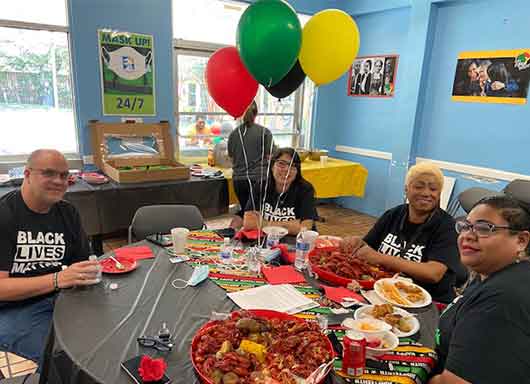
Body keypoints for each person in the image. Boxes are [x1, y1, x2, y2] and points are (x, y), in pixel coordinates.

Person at [0, 149, 99, 366]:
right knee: (64, 360)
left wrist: (90, 271)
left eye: (64, 175)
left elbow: (81, 263)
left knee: (103, 340)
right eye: (49, 173)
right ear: (27, 174)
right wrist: (57, 279)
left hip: (61, 297)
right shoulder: (5, 215)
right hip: (14, 309)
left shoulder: (67, 212)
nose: (58, 181)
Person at [430, 196, 530, 384]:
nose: (467, 235)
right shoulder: (491, 274)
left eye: (484, 228)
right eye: (466, 226)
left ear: (521, 240)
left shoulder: (501, 300)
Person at [340, 162, 460, 303]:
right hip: (383, 293)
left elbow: (433, 273)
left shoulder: (447, 226)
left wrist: (381, 258)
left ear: (439, 194)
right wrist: (356, 243)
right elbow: (368, 246)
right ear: (406, 189)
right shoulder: (394, 214)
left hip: (426, 302)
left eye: (433, 189)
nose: (426, 193)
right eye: (419, 187)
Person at [243, 148, 317, 236]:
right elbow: (248, 223)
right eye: (281, 164)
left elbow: (305, 228)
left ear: (297, 171)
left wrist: (263, 223)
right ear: (272, 166)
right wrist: (291, 225)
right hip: (266, 242)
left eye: (292, 165)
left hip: (296, 243)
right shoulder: (261, 186)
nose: (287, 169)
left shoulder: (305, 189)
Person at [228, 101, 275, 228]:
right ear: (256, 113)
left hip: (239, 180)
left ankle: (230, 233)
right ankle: (253, 241)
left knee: (245, 210)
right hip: (259, 180)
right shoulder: (265, 132)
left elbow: (232, 157)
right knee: (255, 214)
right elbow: (271, 156)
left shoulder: (233, 134)